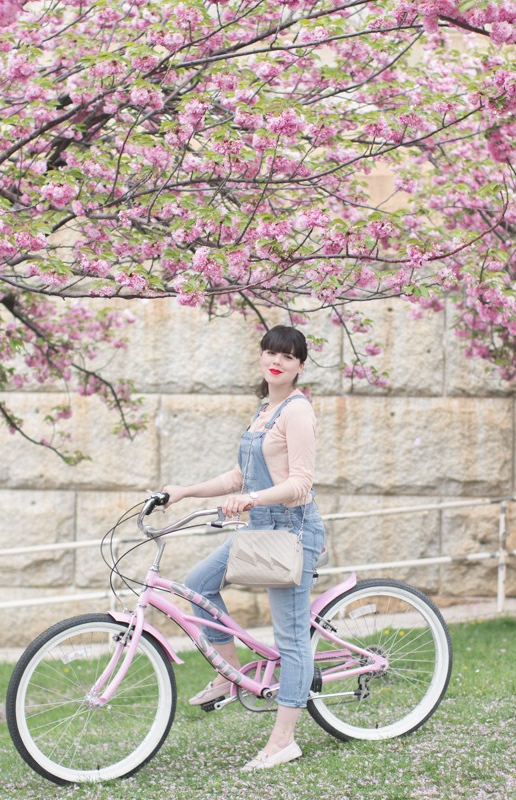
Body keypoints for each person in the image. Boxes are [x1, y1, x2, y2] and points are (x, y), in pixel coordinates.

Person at [162, 325, 325, 771]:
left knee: (291, 639)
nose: (277, 361)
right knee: (197, 584)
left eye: (287, 357)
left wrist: (252, 499)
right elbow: (238, 478)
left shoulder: (297, 411)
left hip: (291, 531)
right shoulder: (263, 410)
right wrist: (184, 491)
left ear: (299, 365)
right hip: (259, 526)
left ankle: (284, 741)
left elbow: (301, 484)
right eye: (270, 353)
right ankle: (228, 672)